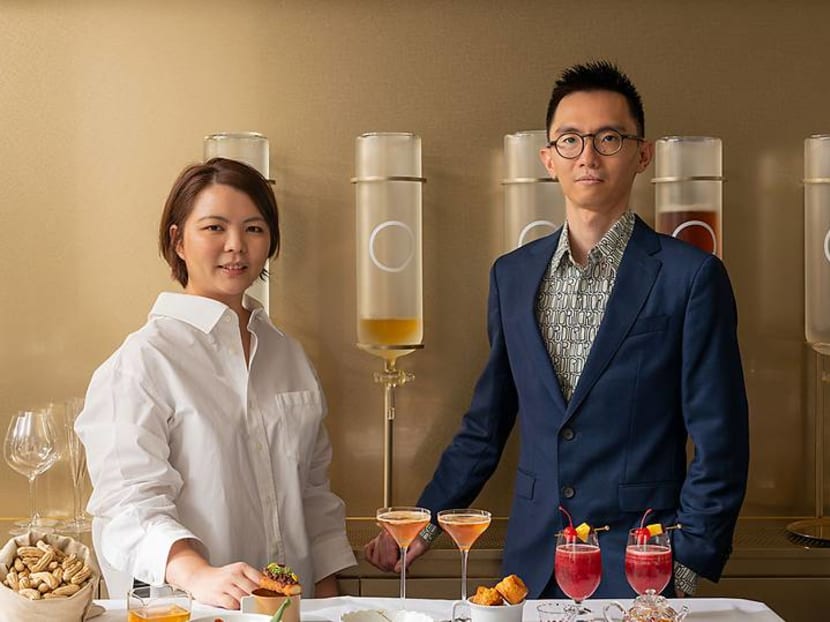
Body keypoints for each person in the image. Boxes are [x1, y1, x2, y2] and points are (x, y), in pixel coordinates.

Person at [364, 61, 749, 599]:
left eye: (608, 137)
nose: (587, 156)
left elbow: (721, 438)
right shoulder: (512, 275)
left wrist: (683, 562)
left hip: (641, 563)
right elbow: (487, 421)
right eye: (570, 140)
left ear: (643, 153)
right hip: (531, 562)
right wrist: (422, 522)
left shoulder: (693, 277)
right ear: (548, 159)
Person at [76, 157, 356, 608]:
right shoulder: (143, 361)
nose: (236, 246)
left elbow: (314, 496)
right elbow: (128, 503)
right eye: (213, 228)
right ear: (178, 241)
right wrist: (199, 574)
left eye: (254, 229)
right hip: (194, 609)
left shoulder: (290, 356)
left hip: (295, 609)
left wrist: (332, 604)